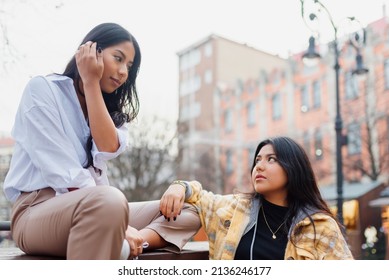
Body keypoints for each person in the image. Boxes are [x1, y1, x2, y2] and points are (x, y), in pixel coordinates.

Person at [3, 22, 200, 260]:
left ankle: (128, 244)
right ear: (90, 51)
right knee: (109, 199)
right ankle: (119, 241)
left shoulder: (111, 112)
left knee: (189, 211)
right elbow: (61, 170)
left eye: (129, 66)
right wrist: (120, 224)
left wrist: (91, 85)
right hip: (36, 211)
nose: (123, 72)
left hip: (101, 208)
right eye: (118, 58)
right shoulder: (43, 90)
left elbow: (108, 147)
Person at [160, 136, 354, 260]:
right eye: (257, 160)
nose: (259, 166)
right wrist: (179, 187)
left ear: (293, 167)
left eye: (271, 159)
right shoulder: (237, 210)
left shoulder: (319, 227)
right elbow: (202, 198)